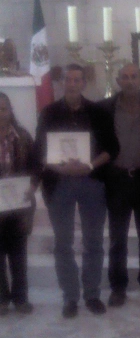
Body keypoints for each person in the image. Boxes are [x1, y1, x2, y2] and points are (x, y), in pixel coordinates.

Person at [34, 64, 119, 318]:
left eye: (77, 80)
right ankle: (70, 297)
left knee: (93, 241)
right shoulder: (48, 113)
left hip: (91, 181)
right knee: (63, 243)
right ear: (62, 83)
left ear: (84, 83)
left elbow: (112, 149)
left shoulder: (99, 112)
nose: (72, 84)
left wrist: (89, 165)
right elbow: (40, 151)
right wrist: (61, 169)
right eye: (68, 80)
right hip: (59, 183)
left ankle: (92, 294)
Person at [99, 63, 140, 307]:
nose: (129, 81)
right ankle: (118, 287)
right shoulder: (105, 108)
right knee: (117, 238)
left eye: (134, 76)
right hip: (117, 179)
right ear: (118, 81)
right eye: (124, 77)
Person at [0, 93, 36, 314]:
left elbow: (35, 165)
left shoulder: (23, 137)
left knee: (18, 253)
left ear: (10, 111)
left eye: (4, 109)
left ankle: (21, 298)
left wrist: (32, 186)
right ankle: (1, 299)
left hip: (18, 204)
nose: (0, 113)